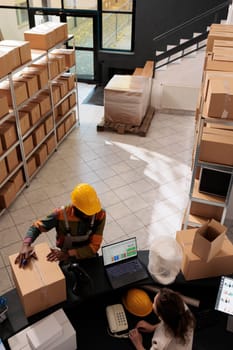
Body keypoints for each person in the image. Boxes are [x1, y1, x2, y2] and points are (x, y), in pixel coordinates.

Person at [15, 183, 106, 268]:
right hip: (66, 258)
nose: (90, 215)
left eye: (92, 212)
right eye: (86, 213)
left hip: (88, 255)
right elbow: (37, 227)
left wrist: (68, 254)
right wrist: (26, 244)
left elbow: (94, 246)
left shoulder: (99, 214)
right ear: (75, 207)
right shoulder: (61, 214)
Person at [129, 288, 195, 350]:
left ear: (161, 316)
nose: (153, 304)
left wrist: (138, 344)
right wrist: (153, 327)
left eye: (154, 303)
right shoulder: (184, 309)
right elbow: (173, 321)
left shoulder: (160, 343)